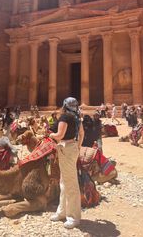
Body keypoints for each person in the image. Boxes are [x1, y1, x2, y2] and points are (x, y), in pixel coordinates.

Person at [49, 97, 84, 229]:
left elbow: (59, 135)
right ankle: (62, 212)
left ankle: (74, 217)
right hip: (72, 147)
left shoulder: (64, 117)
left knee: (71, 184)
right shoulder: (76, 117)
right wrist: (78, 146)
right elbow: (82, 133)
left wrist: (51, 135)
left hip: (66, 148)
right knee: (64, 182)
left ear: (64, 105)